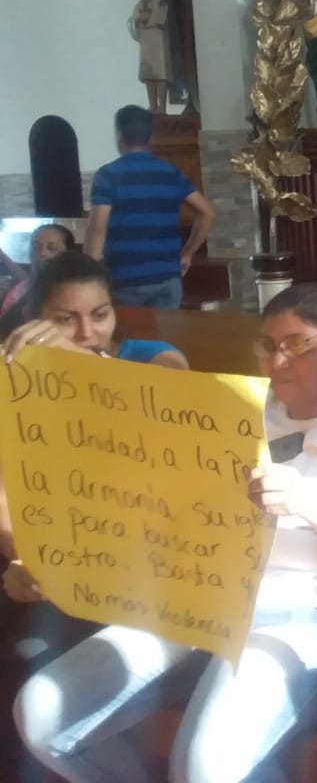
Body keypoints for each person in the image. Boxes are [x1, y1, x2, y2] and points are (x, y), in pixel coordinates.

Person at [13, 283, 317, 783]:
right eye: (269, 344)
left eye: (297, 344)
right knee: (41, 713)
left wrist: (303, 499)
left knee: (206, 764)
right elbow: (140, 426)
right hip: (209, 599)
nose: (278, 360)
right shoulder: (243, 408)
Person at [1, 252, 189, 780]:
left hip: (155, 576)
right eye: (66, 319)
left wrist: (88, 369)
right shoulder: (16, 379)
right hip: (61, 572)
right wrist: (23, 560)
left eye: (100, 314)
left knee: (48, 671)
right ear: (35, 320)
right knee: (27, 658)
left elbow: (169, 406)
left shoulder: (152, 356)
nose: (88, 332)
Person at [84, 105, 216, 309]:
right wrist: (187, 253)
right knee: (165, 341)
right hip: (167, 278)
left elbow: (97, 228)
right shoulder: (170, 173)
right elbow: (207, 213)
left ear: (119, 135)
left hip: (124, 280)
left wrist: (89, 279)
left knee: (128, 341)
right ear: (150, 137)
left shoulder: (108, 175)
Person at [0, 224, 75, 320]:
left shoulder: (71, 294)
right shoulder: (21, 289)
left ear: (68, 255)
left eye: (52, 248)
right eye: (36, 247)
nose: (42, 253)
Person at [129, 0, 169, 112]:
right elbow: (131, 20)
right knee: (148, 72)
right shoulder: (140, 4)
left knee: (160, 72)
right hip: (145, 38)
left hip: (156, 36)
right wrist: (137, 21)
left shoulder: (159, 1)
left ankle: (162, 106)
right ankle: (153, 104)